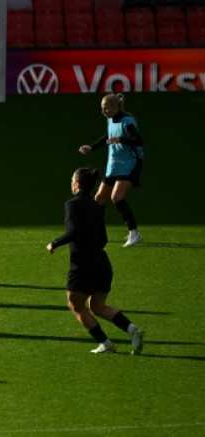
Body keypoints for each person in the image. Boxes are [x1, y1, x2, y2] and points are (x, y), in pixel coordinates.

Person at [47, 167, 146, 355]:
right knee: (98, 306)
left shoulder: (72, 205)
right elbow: (103, 239)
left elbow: (73, 232)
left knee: (76, 306)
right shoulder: (96, 206)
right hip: (102, 263)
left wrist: (54, 243)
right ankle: (134, 330)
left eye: (71, 180)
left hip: (82, 266)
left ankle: (107, 344)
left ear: (77, 184)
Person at [78, 93, 145, 247]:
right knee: (100, 197)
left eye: (106, 109)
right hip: (114, 164)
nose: (104, 112)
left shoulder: (127, 121)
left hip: (130, 163)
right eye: (102, 109)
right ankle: (97, 231)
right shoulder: (110, 120)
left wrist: (121, 139)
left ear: (115, 107)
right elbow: (108, 136)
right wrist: (91, 147)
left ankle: (134, 233)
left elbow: (138, 140)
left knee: (116, 197)